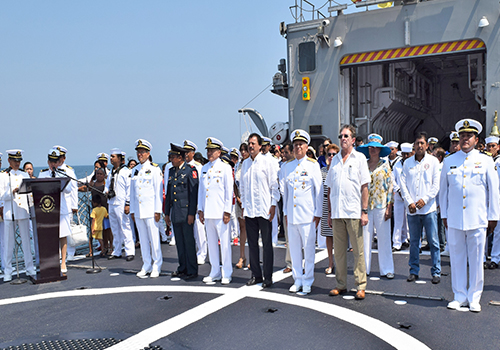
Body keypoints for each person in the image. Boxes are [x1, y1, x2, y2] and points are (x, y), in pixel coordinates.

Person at [440, 119, 499, 313]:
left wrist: (493, 216)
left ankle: (474, 297)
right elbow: (444, 192)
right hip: (455, 217)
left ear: (476, 139)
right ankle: (459, 295)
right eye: (462, 136)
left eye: (469, 136)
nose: (465, 139)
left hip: (478, 217)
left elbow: (493, 190)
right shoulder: (449, 161)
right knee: (456, 258)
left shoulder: (486, 160)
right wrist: (445, 215)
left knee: (476, 259)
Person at [326, 125, 369, 300]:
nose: (343, 138)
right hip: (337, 212)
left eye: (346, 136)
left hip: (353, 211)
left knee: (358, 251)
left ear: (353, 139)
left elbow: (364, 187)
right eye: (341, 136)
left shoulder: (359, 158)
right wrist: (329, 213)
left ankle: (360, 285)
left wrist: (364, 211)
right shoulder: (334, 160)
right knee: (339, 252)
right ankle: (341, 284)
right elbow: (329, 189)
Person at [281, 130, 322, 294]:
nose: (298, 147)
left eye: (301, 144)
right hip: (292, 216)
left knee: (309, 250)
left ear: (306, 147)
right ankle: (297, 279)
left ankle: (308, 280)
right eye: (295, 145)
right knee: (296, 251)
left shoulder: (313, 165)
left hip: (307, 216)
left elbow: (318, 192)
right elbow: (285, 193)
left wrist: (318, 213)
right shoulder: (287, 167)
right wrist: (285, 213)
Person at [400, 132, 441, 284]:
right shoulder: (408, 163)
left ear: (426, 145)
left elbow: (436, 185)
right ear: (414, 145)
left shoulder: (433, 161)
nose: (419, 146)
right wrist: (409, 202)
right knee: (414, 242)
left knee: (433, 242)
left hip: (428, 209)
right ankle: (413, 270)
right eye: (417, 143)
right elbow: (403, 184)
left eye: (422, 143)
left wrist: (425, 199)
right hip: (412, 210)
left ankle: (436, 271)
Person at [240, 133, 279, 288]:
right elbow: (242, 186)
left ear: (260, 145)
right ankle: (256, 275)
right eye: (249, 143)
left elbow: (274, 185)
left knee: (267, 244)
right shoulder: (245, 164)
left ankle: (268, 277)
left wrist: (274, 204)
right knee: (253, 244)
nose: (250, 146)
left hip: (264, 209)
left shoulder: (267, 162)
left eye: (253, 143)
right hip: (250, 210)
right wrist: (243, 203)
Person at [358, 134, 394, 278]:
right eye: (371, 147)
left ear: (380, 150)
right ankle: (364, 269)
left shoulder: (385, 166)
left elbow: (390, 187)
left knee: (384, 238)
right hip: (366, 206)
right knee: (365, 239)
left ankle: (387, 269)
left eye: (376, 148)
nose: (373, 150)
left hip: (381, 205)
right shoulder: (363, 165)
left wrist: (389, 207)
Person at [197, 138, 234, 284]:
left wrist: (227, 211)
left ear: (219, 152)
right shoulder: (204, 168)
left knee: (224, 244)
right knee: (211, 243)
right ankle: (214, 271)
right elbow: (201, 191)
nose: (209, 152)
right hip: (208, 212)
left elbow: (228, 191)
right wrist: (200, 209)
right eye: (208, 150)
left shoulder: (225, 168)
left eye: (212, 150)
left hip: (220, 212)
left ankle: (226, 272)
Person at [164, 143, 199, 280]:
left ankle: (192, 269)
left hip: (186, 213)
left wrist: (192, 213)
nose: (171, 159)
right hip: (175, 212)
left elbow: (193, 194)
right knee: (179, 241)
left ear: (180, 157)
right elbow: (169, 194)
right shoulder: (172, 172)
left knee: (189, 242)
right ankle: (182, 267)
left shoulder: (190, 171)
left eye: (173, 157)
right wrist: (167, 213)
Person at [0, 150, 36, 281]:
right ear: (9, 161)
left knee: (26, 242)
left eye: (19, 161)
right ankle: (8, 270)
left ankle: (30, 267)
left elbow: (29, 192)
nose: (17, 163)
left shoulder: (24, 174)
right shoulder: (4, 176)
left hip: (23, 211)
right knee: (8, 243)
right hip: (10, 212)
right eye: (15, 161)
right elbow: (1, 195)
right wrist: (12, 192)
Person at [130, 139, 163, 279]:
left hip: (150, 210)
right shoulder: (134, 170)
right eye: (138, 152)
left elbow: (158, 191)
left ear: (148, 153)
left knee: (154, 239)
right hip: (138, 210)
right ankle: (146, 264)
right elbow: (132, 192)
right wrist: (132, 210)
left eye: (142, 152)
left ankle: (157, 265)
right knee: (143, 239)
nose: (140, 155)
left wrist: (158, 210)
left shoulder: (155, 169)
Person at [38, 148, 74, 274]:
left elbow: (69, 189)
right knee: (50, 236)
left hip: (61, 208)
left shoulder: (63, 173)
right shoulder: (42, 174)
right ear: (48, 162)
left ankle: (63, 261)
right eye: (51, 162)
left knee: (62, 235)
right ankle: (52, 262)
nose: (53, 164)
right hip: (47, 210)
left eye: (55, 161)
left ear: (59, 162)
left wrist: (59, 180)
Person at [105, 148, 135, 261]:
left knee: (125, 227)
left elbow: (129, 189)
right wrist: (106, 191)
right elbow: (107, 185)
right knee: (114, 228)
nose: (111, 159)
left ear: (119, 158)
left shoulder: (126, 172)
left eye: (113, 156)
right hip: (112, 202)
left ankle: (129, 251)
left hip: (121, 203)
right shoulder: (111, 172)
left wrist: (127, 204)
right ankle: (117, 250)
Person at [183, 140, 207, 265]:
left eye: (187, 152)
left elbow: (202, 188)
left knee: (199, 230)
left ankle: (202, 253)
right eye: (184, 152)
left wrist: (200, 205)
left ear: (193, 153)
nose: (185, 154)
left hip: (196, 202)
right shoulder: (181, 167)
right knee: (188, 231)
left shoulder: (198, 167)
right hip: (184, 203)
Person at [320, 144, 339, 275]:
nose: (331, 157)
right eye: (329, 154)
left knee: (339, 236)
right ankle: (330, 263)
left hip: (338, 205)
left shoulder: (339, 169)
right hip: (325, 205)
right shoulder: (322, 171)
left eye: (334, 154)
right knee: (328, 236)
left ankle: (339, 263)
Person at [392, 143, 413, 251]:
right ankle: (396, 242)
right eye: (404, 154)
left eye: (407, 154)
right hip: (399, 197)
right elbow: (393, 179)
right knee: (398, 220)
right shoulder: (397, 165)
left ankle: (408, 239)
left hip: (410, 196)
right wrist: (398, 190)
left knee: (411, 220)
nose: (405, 156)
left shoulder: (413, 164)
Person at [278, 142, 294, 273]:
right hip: (288, 206)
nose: (284, 155)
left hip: (302, 208)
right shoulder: (284, 167)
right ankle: (290, 263)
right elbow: (282, 188)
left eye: (286, 152)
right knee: (289, 237)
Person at [235, 143, 249, 269]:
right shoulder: (238, 165)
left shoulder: (250, 164)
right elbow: (235, 183)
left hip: (249, 201)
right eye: (242, 150)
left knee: (252, 229)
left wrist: (244, 200)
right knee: (242, 228)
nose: (243, 152)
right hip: (239, 201)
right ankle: (242, 256)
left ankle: (252, 257)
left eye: (245, 150)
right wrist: (238, 198)